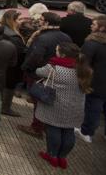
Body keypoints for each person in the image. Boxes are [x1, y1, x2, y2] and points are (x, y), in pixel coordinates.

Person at [36, 42, 92, 169]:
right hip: (76, 107)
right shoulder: (83, 69)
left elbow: (38, 71)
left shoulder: (54, 68)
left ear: (63, 54)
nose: (55, 52)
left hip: (57, 105)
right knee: (68, 131)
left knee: (53, 129)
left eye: (56, 50)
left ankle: (52, 156)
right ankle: (62, 158)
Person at [18, 12, 72, 138]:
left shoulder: (42, 37)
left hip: (39, 73)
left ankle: (36, 128)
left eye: (42, 19)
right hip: (56, 73)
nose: (39, 21)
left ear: (47, 22)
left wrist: (26, 68)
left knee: (39, 100)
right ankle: (45, 125)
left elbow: (35, 56)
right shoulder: (66, 37)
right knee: (47, 101)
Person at [76, 15, 106, 143]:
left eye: (93, 24)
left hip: (96, 83)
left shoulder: (92, 43)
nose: (91, 26)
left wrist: (82, 81)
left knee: (93, 107)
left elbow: (82, 63)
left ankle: (86, 132)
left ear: (102, 28)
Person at [0, 9, 26, 117]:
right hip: (12, 68)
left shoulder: (2, 30)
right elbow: (19, 54)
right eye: (19, 19)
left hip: (3, 66)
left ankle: (2, 105)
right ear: (12, 20)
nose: (22, 21)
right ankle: (5, 108)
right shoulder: (14, 37)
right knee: (9, 87)